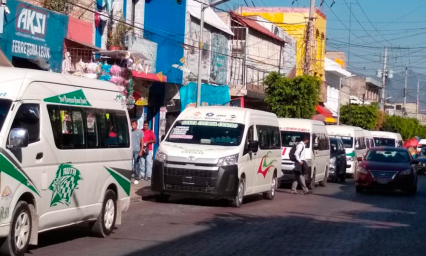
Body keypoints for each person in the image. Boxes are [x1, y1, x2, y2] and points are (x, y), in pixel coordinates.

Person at [131, 120, 144, 184]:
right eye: (132, 124)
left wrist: (141, 150)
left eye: (134, 124)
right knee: (130, 164)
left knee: (136, 164)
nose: (132, 126)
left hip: (137, 150)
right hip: (130, 150)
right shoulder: (130, 131)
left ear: (136, 125)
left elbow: (142, 141)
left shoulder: (140, 132)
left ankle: (137, 178)